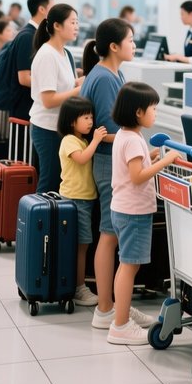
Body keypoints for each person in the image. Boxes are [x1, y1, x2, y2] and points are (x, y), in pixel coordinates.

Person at [81, 18, 155, 330]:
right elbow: (109, 132)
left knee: (110, 234)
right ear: (114, 46)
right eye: (130, 40)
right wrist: (137, 143)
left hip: (111, 160)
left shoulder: (112, 73)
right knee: (110, 235)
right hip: (108, 162)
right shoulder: (105, 78)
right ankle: (107, 309)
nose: (134, 45)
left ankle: (112, 306)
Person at [107, 82, 179, 344]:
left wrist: (151, 155)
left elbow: (133, 166)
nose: (156, 113)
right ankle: (121, 325)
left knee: (127, 266)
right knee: (128, 267)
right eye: (153, 108)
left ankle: (122, 314)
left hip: (121, 209)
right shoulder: (133, 140)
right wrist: (165, 161)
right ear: (139, 112)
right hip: (133, 213)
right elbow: (137, 176)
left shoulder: (125, 136)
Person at [57, 96, 107, 307]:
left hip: (85, 200)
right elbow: (81, 158)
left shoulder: (83, 141)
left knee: (83, 245)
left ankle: (79, 285)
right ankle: (79, 288)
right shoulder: (69, 140)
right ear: (71, 121)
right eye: (85, 117)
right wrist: (96, 140)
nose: (90, 121)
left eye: (91, 117)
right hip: (74, 199)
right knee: (81, 245)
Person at [30, 3, 84, 193]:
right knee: (49, 181)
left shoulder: (65, 53)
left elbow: (66, 86)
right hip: (47, 129)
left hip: (59, 127)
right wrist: (78, 90)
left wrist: (79, 83)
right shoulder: (47, 55)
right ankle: (37, 221)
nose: (77, 27)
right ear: (57, 26)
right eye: (72, 22)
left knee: (57, 181)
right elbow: (49, 100)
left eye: (77, 22)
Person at [10, 0, 55, 135]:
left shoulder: (35, 35)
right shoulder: (27, 37)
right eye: (52, 7)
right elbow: (24, 78)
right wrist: (52, 86)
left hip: (28, 105)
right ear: (42, 9)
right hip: (23, 107)